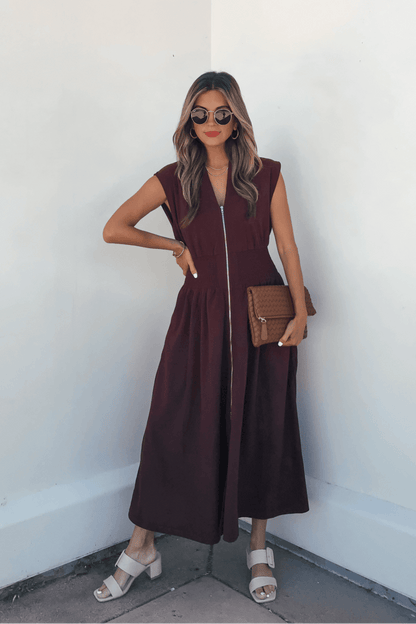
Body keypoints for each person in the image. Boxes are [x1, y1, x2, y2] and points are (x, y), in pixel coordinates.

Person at [94, 71, 309, 604]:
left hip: (261, 318)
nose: (211, 122)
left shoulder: (266, 174)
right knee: (173, 425)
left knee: (262, 424)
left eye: (221, 113)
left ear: (237, 120)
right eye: (200, 113)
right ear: (189, 121)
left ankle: (258, 546)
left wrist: (299, 310)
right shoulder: (173, 179)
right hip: (199, 318)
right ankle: (142, 544)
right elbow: (114, 227)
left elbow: (286, 245)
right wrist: (173, 246)